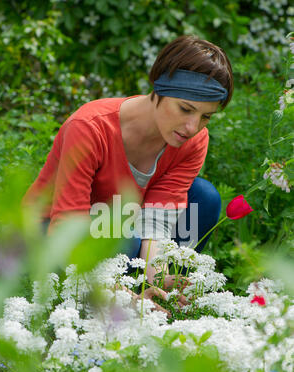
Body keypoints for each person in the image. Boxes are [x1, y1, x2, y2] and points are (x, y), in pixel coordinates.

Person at [23, 35, 233, 308]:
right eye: (185, 109)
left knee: (204, 198)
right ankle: (112, 292)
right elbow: (66, 225)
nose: (193, 127)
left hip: (123, 224)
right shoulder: (89, 127)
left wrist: (157, 275)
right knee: (125, 239)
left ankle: (152, 294)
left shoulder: (193, 141)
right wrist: (121, 298)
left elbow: (158, 220)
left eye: (206, 117)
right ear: (159, 87)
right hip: (53, 228)